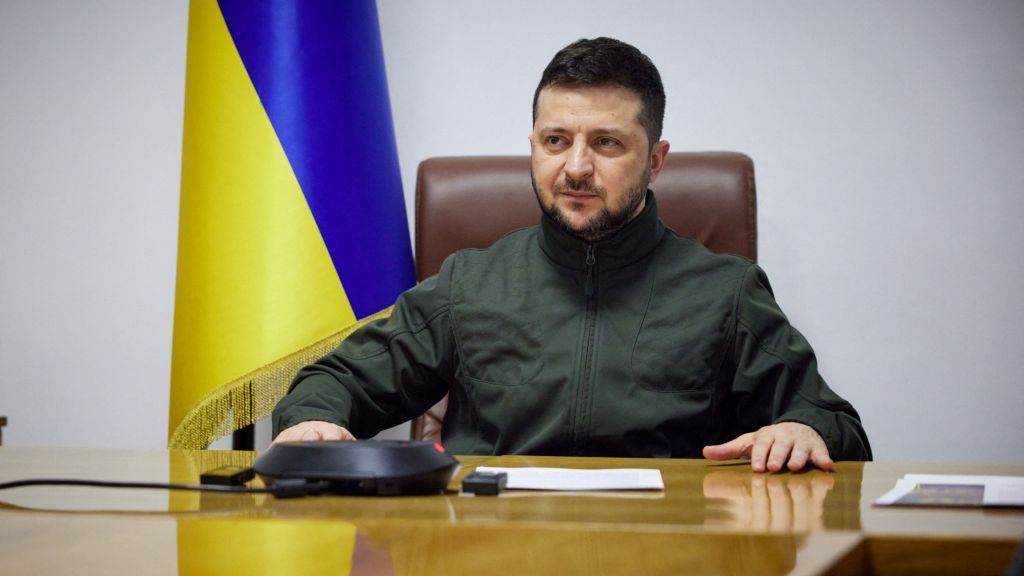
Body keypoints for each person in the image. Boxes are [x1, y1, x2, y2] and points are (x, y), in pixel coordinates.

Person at [273, 37, 872, 472]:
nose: (576, 167)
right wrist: (313, 422)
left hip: (665, 551)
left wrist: (804, 430)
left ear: (656, 161)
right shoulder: (471, 283)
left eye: (606, 143)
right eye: (556, 140)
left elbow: (836, 426)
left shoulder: (726, 292)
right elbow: (334, 382)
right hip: (492, 549)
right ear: (533, 146)